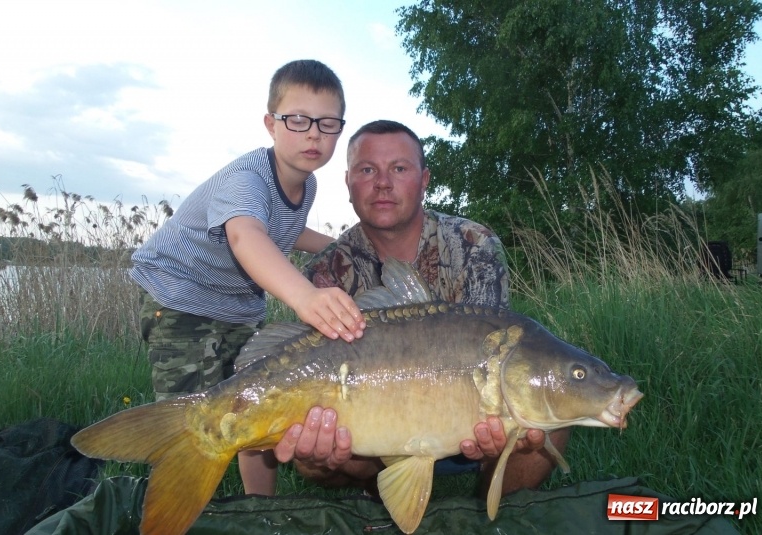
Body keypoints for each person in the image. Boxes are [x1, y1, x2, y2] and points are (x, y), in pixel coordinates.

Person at [273, 119, 570, 498]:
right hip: (374, 436)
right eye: (367, 170)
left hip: (469, 428)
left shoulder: (474, 244)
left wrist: (494, 423)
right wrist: (320, 445)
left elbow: (491, 350)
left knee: (546, 417)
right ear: (348, 183)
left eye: (399, 168)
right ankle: (374, 493)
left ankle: (490, 518)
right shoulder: (326, 271)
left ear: (424, 179)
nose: (383, 183)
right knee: (310, 455)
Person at [129, 59, 366, 496]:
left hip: (239, 307)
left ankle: (262, 511)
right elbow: (246, 235)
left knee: (254, 409)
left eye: (327, 123)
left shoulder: (306, 186)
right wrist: (306, 298)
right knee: (193, 426)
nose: (313, 133)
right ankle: (178, 503)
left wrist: (342, 244)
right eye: (297, 120)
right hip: (180, 298)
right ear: (270, 124)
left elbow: (288, 231)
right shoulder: (247, 180)